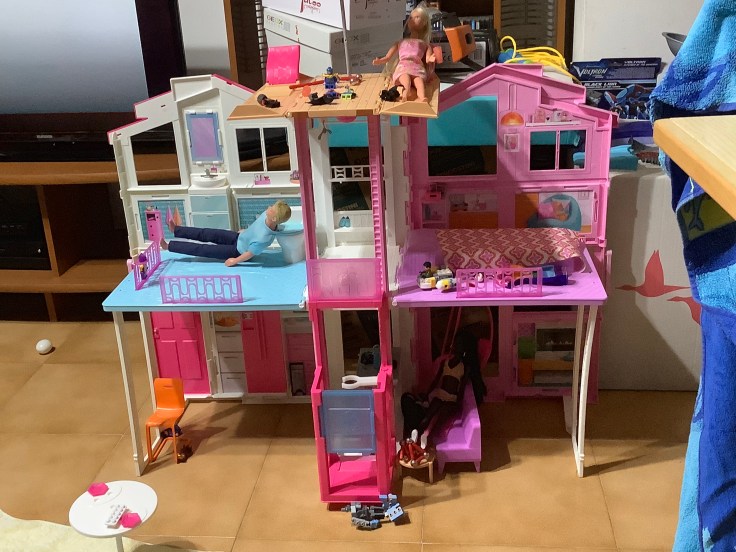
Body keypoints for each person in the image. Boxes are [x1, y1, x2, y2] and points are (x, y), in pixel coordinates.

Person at [160, 200, 291, 266]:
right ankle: (176, 230)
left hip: (237, 251)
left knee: (203, 249)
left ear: (274, 218)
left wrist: (235, 261)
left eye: (272, 209)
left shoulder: (265, 238)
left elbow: (249, 253)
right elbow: (255, 228)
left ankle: (169, 246)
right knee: (206, 233)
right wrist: (245, 232)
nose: (269, 208)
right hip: (238, 237)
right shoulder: (266, 215)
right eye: (271, 206)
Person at [372, 6, 436, 102]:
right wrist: (380, 60)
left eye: (417, 17)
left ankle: (422, 97)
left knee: (419, 83)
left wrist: (430, 58)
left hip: (417, 68)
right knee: (406, 80)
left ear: (424, 23)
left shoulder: (425, 44)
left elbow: (427, 59)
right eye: (410, 18)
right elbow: (387, 57)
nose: (412, 19)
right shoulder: (401, 42)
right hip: (403, 67)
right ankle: (405, 93)